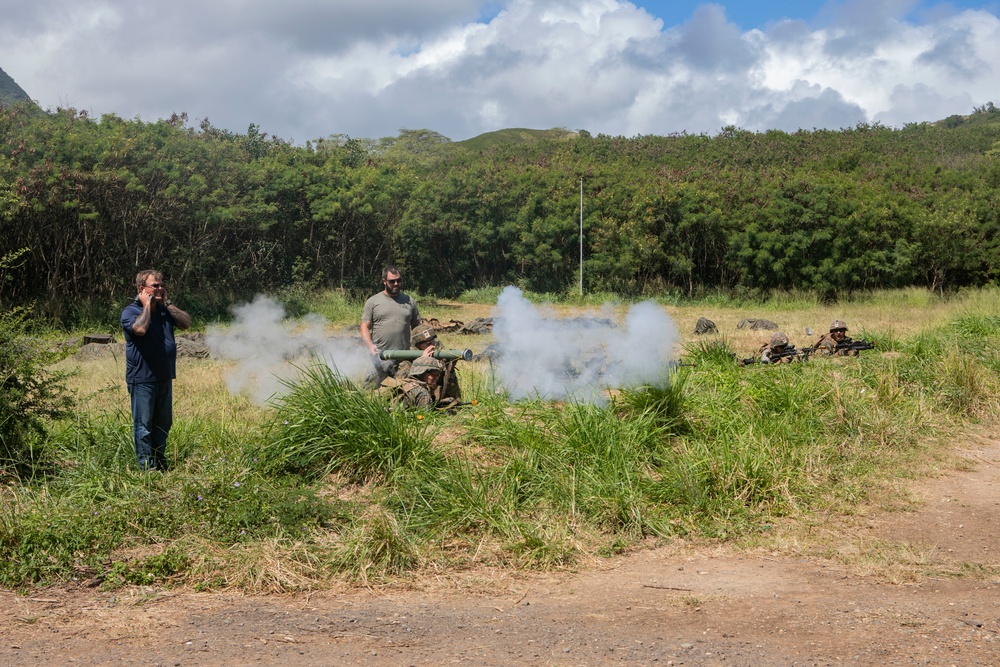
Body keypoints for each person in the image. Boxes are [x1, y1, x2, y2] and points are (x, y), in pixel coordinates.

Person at [120, 270, 191, 471]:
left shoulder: (164, 311)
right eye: (155, 286)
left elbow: (186, 323)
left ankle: (160, 462)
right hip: (142, 379)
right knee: (143, 426)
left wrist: (167, 304)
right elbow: (140, 329)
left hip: (164, 377)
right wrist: (146, 306)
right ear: (142, 289)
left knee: (163, 423)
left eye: (161, 284)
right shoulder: (131, 311)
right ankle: (146, 468)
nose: (160, 288)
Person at [360, 266, 421, 387]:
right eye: (392, 281)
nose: (396, 283)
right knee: (370, 393)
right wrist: (370, 346)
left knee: (402, 394)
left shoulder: (409, 301)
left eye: (399, 280)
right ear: (384, 281)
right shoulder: (373, 302)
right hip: (379, 357)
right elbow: (364, 327)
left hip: (403, 359)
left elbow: (418, 328)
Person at [396, 323, 463, 402]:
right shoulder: (407, 363)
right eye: (425, 343)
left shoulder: (440, 360)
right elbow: (403, 390)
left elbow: (453, 393)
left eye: (432, 341)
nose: (431, 346)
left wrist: (450, 370)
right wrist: (421, 364)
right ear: (417, 346)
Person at [377, 357, 459, 410]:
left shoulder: (402, 382)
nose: (436, 377)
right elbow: (426, 419)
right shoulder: (422, 392)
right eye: (433, 374)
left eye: (438, 374)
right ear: (422, 373)